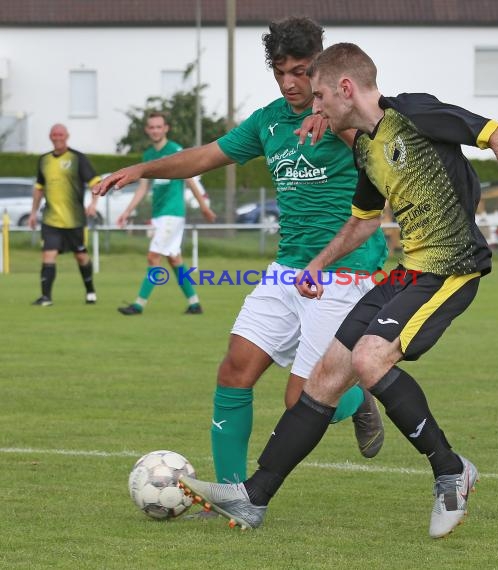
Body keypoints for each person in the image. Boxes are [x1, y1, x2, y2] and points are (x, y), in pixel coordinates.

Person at [176, 43, 498, 538]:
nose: (317, 106)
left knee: (370, 362)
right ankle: (253, 498)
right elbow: (362, 223)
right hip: (408, 270)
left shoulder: (415, 113)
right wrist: (316, 265)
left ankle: (451, 470)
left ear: (346, 88)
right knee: (327, 375)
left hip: (452, 269)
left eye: (322, 94)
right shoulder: (365, 148)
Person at [93, 19, 389, 490]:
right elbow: (205, 156)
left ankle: (355, 399)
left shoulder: (349, 115)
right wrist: (141, 169)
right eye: (280, 71)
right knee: (234, 371)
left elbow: (390, 152)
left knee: (301, 400)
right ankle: (232, 493)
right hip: (286, 271)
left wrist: (339, 119)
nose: (290, 82)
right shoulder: (268, 120)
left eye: (302, 71)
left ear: (322, 67)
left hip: (344, 274)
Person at [116, 111, 216, 316]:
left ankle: (138, 305)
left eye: (158, 126)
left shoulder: (175, 151)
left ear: (166, 128)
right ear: (147, 130)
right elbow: (143, 188)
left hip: (173, 213)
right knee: (174, 259)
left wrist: (204, 207)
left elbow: (190, 179)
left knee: (153, 257)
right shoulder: (148, 156)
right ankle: (195, 304)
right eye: (151, 127)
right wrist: (127, 211)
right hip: (159, 214)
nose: (155, 130)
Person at [29, 123, 101, 306]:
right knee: (48, 255)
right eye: (54, 134)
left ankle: (90, 291)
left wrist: (93, 204)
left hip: (74, 219)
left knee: (81, 256)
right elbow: (39, 188)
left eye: (60, 134)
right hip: (51, 219)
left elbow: (95, 182)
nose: (57, 137)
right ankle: (46, 297)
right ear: (50, 137)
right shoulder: (44, 160)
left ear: (67, 136)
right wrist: (32, 213)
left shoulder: (78, 158)